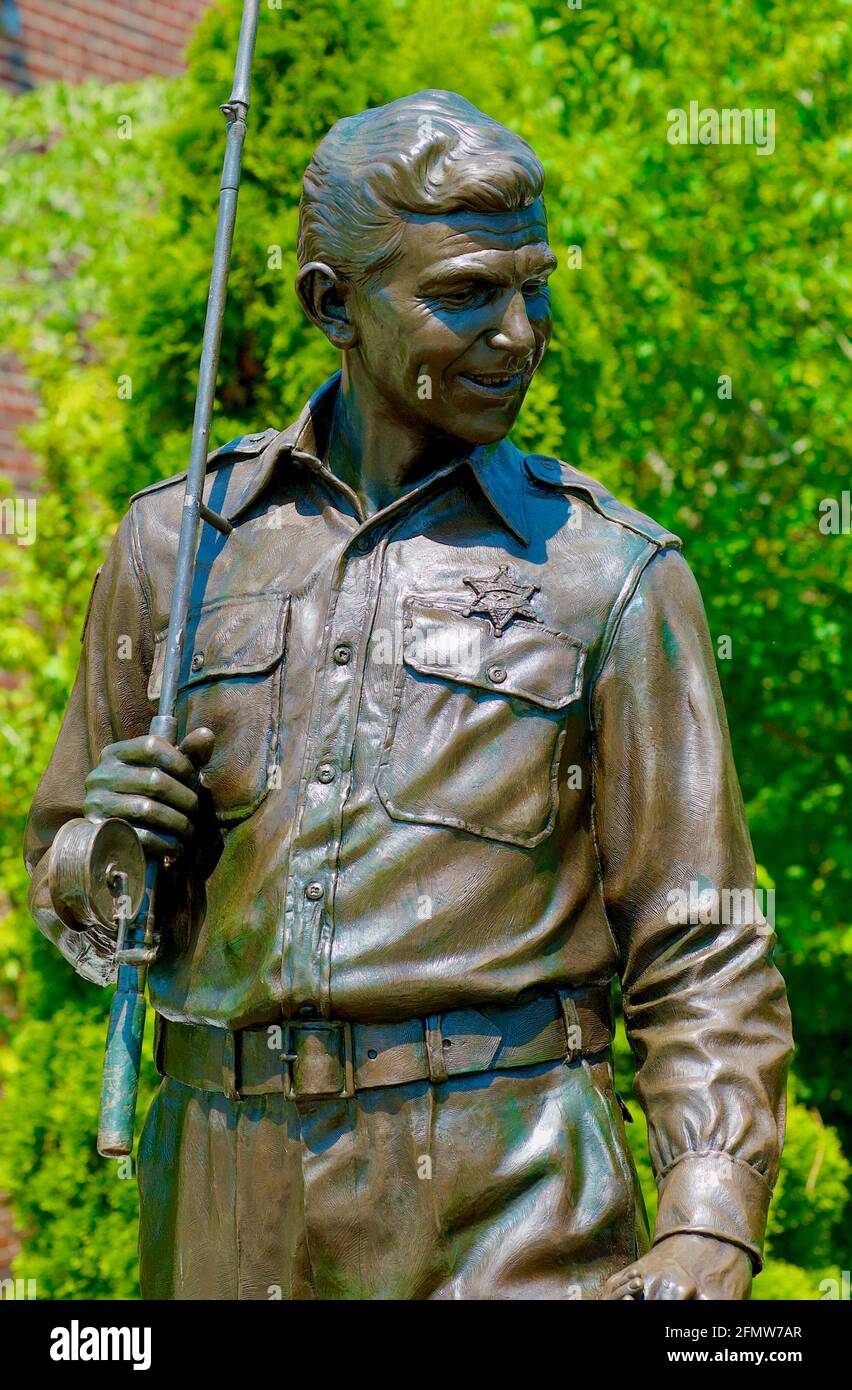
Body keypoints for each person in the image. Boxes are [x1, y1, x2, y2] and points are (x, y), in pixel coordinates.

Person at [25, 90, 792, 1300]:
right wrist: (102, 854)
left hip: (511, 1207)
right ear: (332, 302)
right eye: (467, 295)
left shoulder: (611, 574)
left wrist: (709, 1216)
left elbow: (702, 941)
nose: (520, 331)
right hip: (223, 1210)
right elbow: (68, 892)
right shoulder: (180, 547)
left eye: (534, 287)